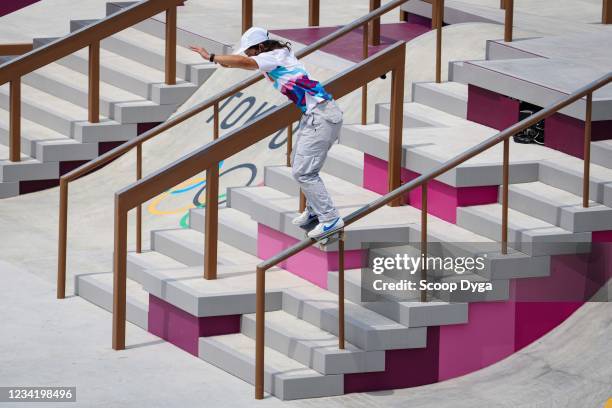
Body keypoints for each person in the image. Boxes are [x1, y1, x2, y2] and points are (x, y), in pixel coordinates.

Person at [190, 27, 344, 239]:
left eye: (250, 51)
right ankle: (315, 208)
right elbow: (239, 63)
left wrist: (212, 56)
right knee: (298, 161)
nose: (249, 55)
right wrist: (212, 59)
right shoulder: (271, 57)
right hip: (314, 115)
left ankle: (330, 219)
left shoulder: (275, 56)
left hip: (323, 116)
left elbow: (245, 63)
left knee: (304, 172)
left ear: (260, 47)